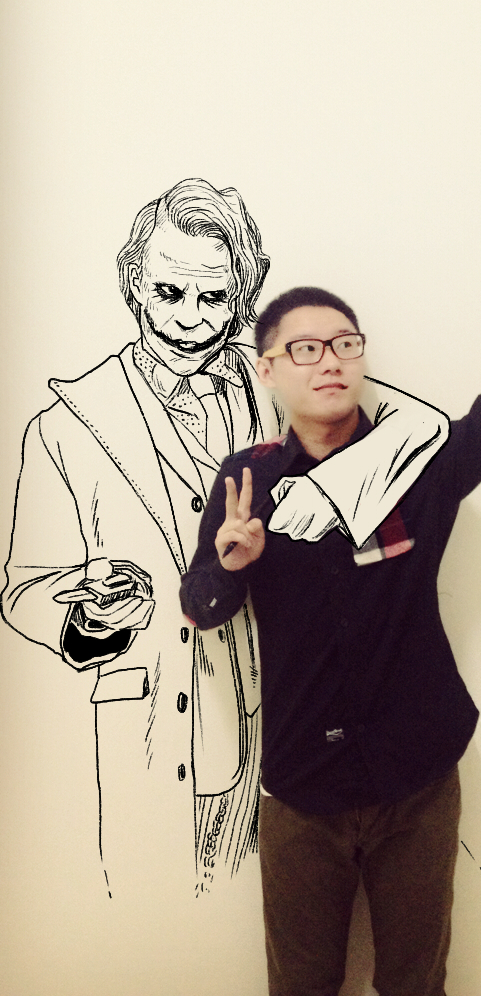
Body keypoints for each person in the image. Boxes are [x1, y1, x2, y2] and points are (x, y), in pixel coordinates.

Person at [180, 210, 481, 993]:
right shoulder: (247, 480)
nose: (330, 360)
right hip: (301, 789)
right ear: (268, 370)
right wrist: (231, 566)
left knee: (417, 985)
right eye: (305, 348)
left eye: (345, 344)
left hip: (419, 778)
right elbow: (199, 609)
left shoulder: (418, 462)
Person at [1, 177, 448, 898]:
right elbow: (23, 589)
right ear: (133, 283)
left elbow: (421, 424)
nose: (188, 319)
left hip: (280, 726)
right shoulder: (66, 425)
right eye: (168, 292)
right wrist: (86, 621)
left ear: (241, 293)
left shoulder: (280, 374)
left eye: (212, 297)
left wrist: (327, 489)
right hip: (150, 729)